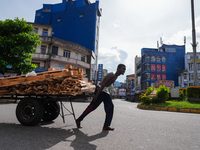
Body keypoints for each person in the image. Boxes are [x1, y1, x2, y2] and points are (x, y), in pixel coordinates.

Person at [76, 64, 126, 131]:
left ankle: (106, 125)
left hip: (105, 92)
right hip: (100, 90)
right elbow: (102, 85)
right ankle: (79, 120)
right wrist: (96, 96)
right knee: (92, 107)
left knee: (110, 107)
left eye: (125, 69)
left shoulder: (116, 76)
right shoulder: (112, 75)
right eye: (123, 69)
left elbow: (106, 86)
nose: (124, 70)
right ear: (118, 68)